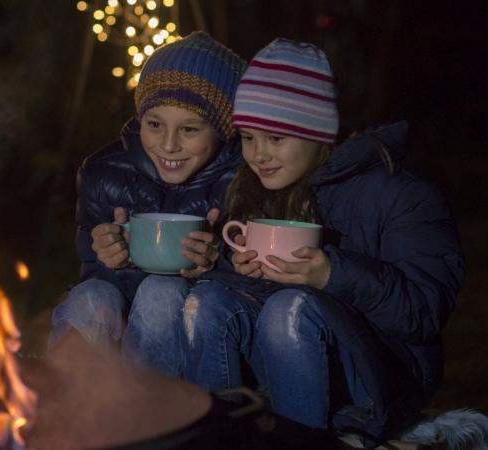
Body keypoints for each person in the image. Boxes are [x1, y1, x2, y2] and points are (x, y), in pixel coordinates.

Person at [181, 38, 463, 446]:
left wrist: (332, 273)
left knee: (289, 309)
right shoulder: (253, 186)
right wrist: (234, 269)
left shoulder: (399, 193)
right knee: (205, 301)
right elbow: (248, 294)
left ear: (319, 134)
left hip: (381, 373)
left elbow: (423, 312)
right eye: (248, 138)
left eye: (276, 139)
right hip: (287, 355)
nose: (258, 155)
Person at [48, 32, 247, 376]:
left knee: (161, 291)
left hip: (190, 341)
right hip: (120, 320)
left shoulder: (241, 184)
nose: (169, 145)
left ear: (223, 130)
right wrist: (109, 258)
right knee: (90, 295)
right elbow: (94, 274)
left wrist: (217, 264)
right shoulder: (104, 173)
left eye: (189, 130)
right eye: (154, 125)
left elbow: (250, 295)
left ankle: (149, 416)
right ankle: (60, 411)